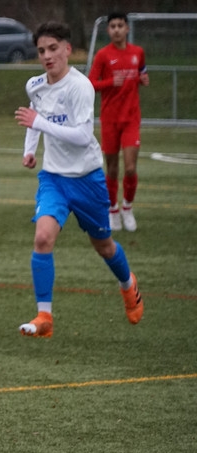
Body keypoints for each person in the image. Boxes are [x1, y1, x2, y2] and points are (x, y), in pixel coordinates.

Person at [15, 21, 144, 338]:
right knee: (43, 238)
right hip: (54, 179)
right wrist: (30, 150)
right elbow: (34, 116)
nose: (47, 56)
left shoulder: (80, 87)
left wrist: (40, 124)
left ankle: (128, 285)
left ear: (68, 49)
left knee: (104, 246)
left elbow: (83, 136)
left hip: (87, 179)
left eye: (53, 49)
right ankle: (44, 316)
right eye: (42, 51)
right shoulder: (35, 85)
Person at [88, 12, 149, 232]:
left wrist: (143, 79)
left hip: (131, 119)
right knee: (112, 169)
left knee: (130, 168)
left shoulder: (137, 52)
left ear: (127, 28)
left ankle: (127, 208)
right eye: (112, 26)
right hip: (110, 120)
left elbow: (141, 72)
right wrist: (110, 82)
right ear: (108, 30)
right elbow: (90, 84)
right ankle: (112, 210)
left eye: (120, 25)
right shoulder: (103, 55)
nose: (116, 29)